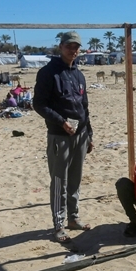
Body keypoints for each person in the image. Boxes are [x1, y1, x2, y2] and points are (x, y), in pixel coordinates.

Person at [33, 31, 94, 243]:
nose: (73, 50)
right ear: (61, 47)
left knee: (75, 180)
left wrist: (89, 133)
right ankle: (58, 225)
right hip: (60, 135)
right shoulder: (48, 73)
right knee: (60, 181)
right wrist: (61, 122)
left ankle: (73, 218)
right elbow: (38, 104)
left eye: (76, 47)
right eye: (69, 46)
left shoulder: (79, 74)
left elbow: (84, 106)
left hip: (81, 135)